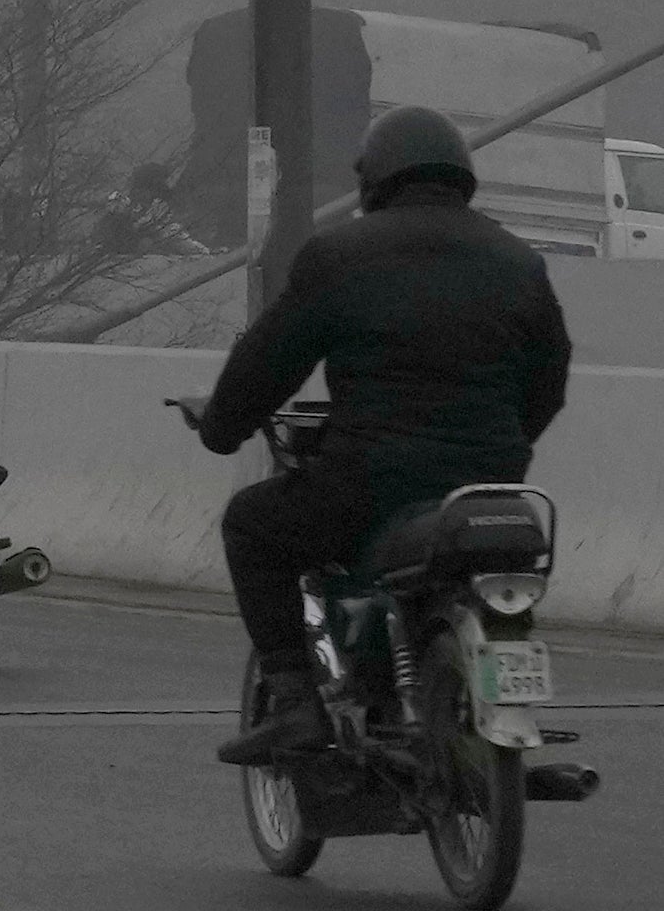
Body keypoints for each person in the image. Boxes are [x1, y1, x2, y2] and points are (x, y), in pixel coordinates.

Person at [192, 104, 572, 764]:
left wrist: (221, 428)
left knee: (252, 526)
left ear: (375, 179)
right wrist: (498, 451)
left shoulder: (339, 255)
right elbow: (548, 384)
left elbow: (267, 363)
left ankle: (295, 702)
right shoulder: (520, 261)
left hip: (372, 485)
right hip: (489, 490)